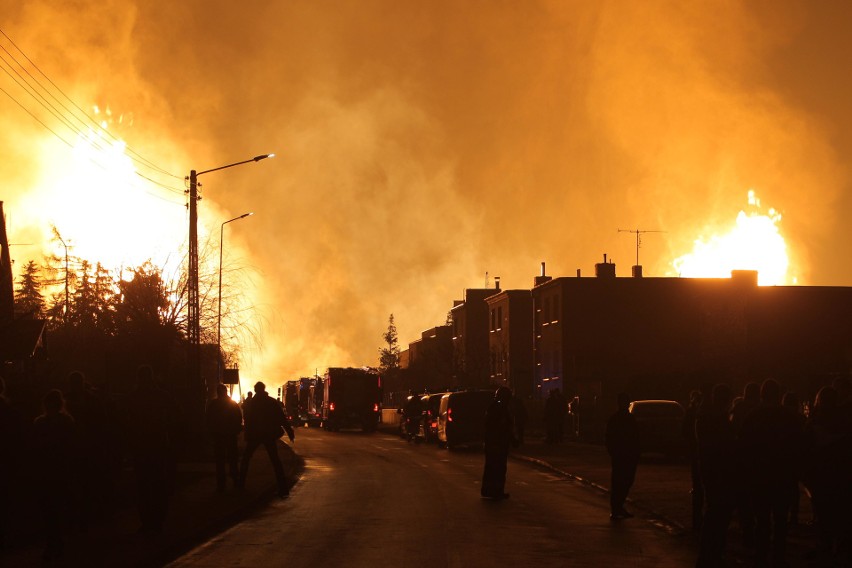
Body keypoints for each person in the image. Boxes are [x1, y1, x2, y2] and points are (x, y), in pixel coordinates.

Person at [738, 379, 801, 568]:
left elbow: (743, 446)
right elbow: (800, 446)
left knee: (762, 520)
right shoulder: (790, 416)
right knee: (781, 521)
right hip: (784, 476)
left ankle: (761, 556)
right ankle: (778, 557)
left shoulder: (753, 416)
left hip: (759, 477)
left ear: (762, 395)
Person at [121, 365, 178, 534]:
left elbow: (125, 422)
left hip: (141, 447)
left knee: (143, 486)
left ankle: (147, 522)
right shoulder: (162, 396)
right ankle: (159, 521)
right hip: (159, 445)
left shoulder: (133, 398)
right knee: (159, 484)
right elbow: (176, 417)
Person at [695, 383, 736, 568]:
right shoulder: (722, 422)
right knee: (719, 516)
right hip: (722, 473)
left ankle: (708, 554)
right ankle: (713, 555)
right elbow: (728, 449)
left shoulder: (703, 419)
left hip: (708, 470)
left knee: (713, 513)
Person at [32, 389, 76, 560]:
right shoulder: (67, 422)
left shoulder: (40, 423)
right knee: (55, 509)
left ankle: (53, 542)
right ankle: (57, 541)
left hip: (49, 472)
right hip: (57, 472)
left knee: (50, 510)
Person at [238, 381, 295, 498]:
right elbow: (282, 419)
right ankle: (283, 487)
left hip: (255, 435)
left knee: (246, 459)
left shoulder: (252, 403)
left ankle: (240, 485)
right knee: (275, 460)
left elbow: (248, 420)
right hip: (269, 435)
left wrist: (247, 435)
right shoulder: (272, 402)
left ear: (255, 390)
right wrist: (290, 433)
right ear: (264, 389)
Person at [605, 392, 640, 520]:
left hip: (622, 455)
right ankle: (617, 507)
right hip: (624, 455)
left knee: (621, 481)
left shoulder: (618, 419)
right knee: (623, 481)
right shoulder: (627, 419)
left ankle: (617, 507)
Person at [206, 383, 243, 492]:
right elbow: (238, 418)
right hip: (230, 436)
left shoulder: (213, 404)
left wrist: (211, 433)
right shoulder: (232, 404)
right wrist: (236, 431)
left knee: (220, 461)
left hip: (218, 436)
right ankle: (235, 480)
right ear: (226, 392)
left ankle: (221, 484)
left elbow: (209, 420)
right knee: (233, 459)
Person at [481, 386, 516, 500]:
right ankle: (496, 490)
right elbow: (503, 427)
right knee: (498, 468)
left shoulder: (495, 408)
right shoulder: (499, 409)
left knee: (493, 467)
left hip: (495, 442)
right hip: (497, 443)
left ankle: (490, 490)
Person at [683, 389, 705, 532]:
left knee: (698, 489)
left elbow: (684, 432)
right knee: (699, 489)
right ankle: (697, 521)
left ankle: (698, 521)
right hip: (699, 454)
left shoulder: (692, 413)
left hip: (697, 454)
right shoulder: (696, 414)